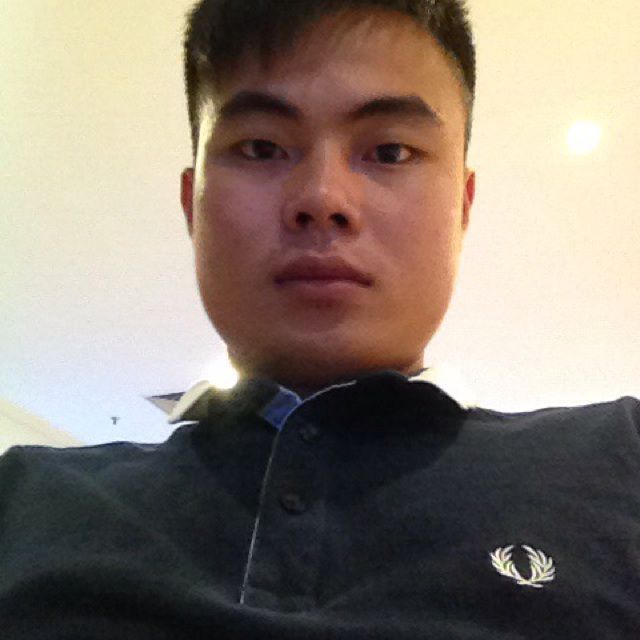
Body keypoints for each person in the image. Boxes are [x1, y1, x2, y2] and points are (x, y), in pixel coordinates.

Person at [1, 0, 638, 637]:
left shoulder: (619, 460)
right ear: (193, 207)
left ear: (463, 207)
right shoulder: (25, 500)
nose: (323, 198)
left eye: (390, 152)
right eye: (260, 148)